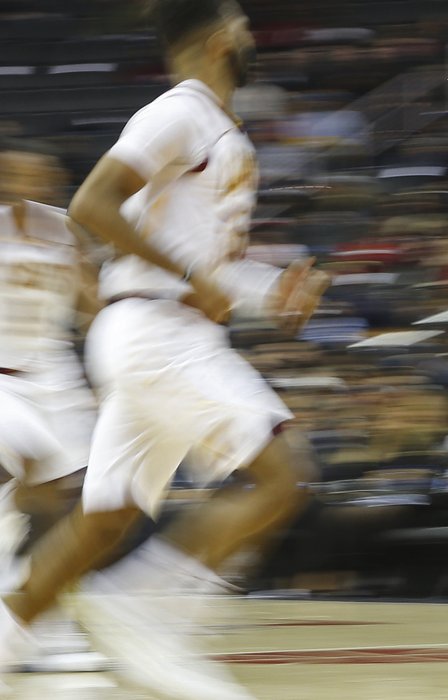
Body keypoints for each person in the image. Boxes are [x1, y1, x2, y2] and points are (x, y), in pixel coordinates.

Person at [0, 1, 328, 697]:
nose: (251, 36)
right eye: (242, 26)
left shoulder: (218, 129)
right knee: (284, 475)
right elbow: (93, 204)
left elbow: (204, 262)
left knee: (103, 521)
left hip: (155, 331)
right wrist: (188, 278)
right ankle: (147, 611)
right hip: (157, 332)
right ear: (218, 42)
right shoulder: (178, 112)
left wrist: (273, 295)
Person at [0, 141, 112, 673]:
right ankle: (17, 606)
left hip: (56, 374)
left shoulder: (63, 228)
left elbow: (92, 303)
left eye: (40, 172)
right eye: (20, 171)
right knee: (34, 479)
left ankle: (43, 616)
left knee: (76, 499)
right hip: (3, 376)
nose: (31, 180)